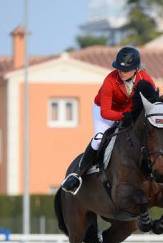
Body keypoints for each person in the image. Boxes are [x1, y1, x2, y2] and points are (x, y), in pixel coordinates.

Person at [61, 46, 156, 194]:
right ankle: (77, 176)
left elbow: (152, 104)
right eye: (119, 68)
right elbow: (105, 112)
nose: (121, 72)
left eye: (126, 69)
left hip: (130, 113)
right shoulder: (110, 81)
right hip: (104, 111)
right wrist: (125, 116)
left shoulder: (146, 80)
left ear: (137, 69)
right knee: (99, 139)